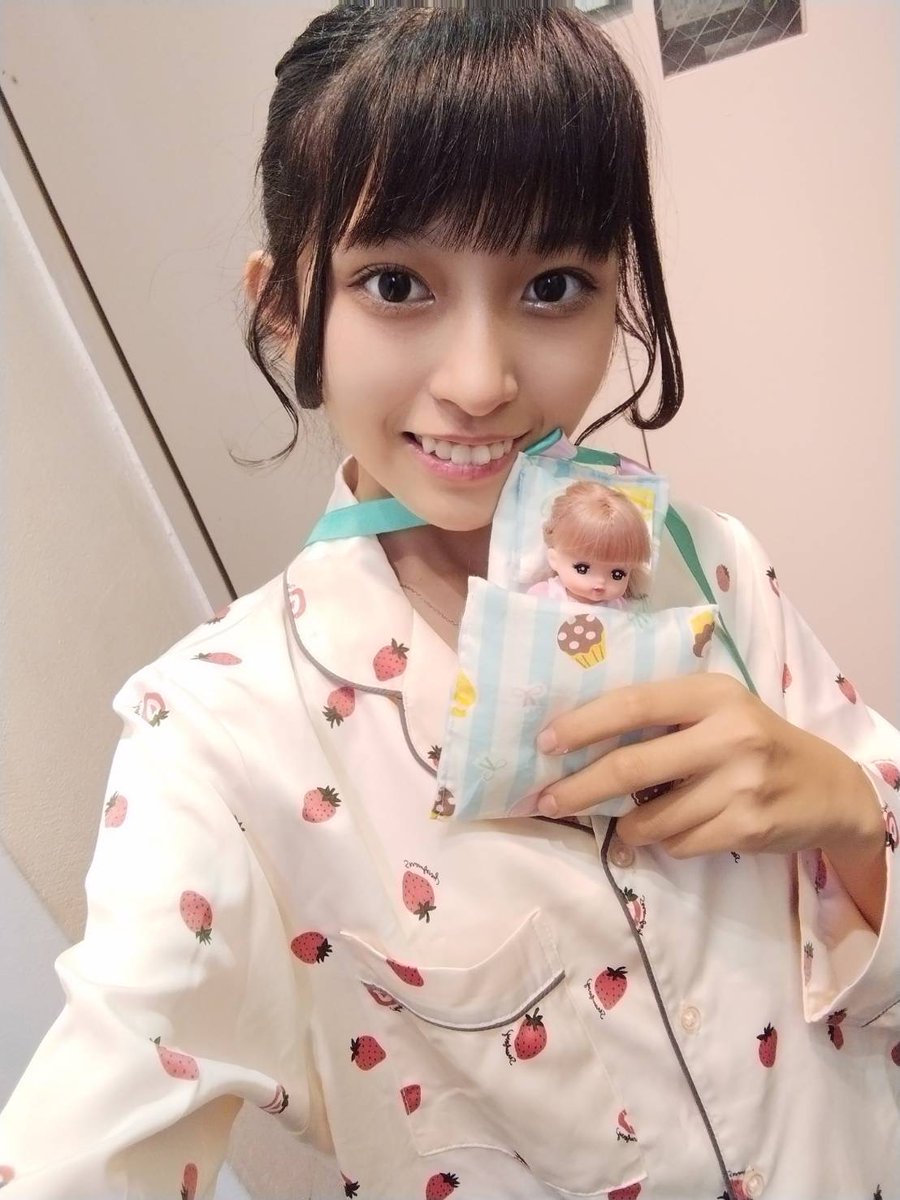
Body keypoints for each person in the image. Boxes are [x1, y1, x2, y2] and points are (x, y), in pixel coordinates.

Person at [1, 4, 898, 1199]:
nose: (480, 381)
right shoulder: (215, 739)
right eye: (396, 283)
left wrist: (855, 820)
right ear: (285, 310)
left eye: (554, 284)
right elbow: (97, 1121)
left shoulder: (712, 567)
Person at [527, 480, 652, 605]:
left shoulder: (618, 606)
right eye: (582, 568)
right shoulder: (545, 596)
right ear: (554, 559)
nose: (600, 582)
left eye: (617, 574)